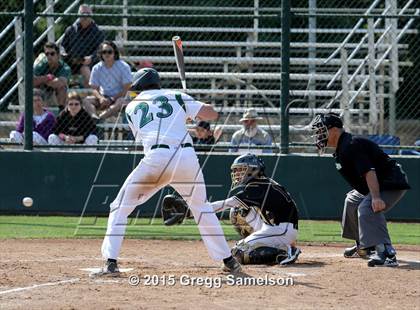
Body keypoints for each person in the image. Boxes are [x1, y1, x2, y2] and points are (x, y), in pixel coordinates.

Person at [91, 68, 241, 277]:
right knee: (202, 209)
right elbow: (211, 114)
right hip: (186, 159)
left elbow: (145, 134)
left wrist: (183, 116)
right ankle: (228, 260)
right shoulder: (177, 96)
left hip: (156, 160)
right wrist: (191, 112)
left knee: (119, 207)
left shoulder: (131, 107)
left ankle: (110, 263)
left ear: (138, 87)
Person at [311, 113, 410, 267]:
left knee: (367, 208)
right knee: (352, 201)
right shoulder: (341, 147)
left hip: (391, 182)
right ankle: (364, 247)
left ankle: (387, 253)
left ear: (335, 130)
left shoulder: (351, 144)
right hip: (378, 183)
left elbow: (369, 171)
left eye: (322, 130)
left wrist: (376, 197)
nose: (318, 135)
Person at [84, 41, 132, 120]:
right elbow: (94, 89)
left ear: (114, 53)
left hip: (119, 97)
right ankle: (94, 117)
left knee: (121, 101)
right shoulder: (96, 68)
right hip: (103, 97)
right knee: (86, 100)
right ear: (101, 54)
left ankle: (100, 119)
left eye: (109, 52)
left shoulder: (124, 66)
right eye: (104, 52)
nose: (107, 54)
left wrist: (112, 99)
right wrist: (100, 98)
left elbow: (126, 89)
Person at [61, 4, 104, 88]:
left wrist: (91, 58)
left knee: (84, 68)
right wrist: (63, 53)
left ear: (91, 16)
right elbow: (63, 46)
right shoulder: (71, 29)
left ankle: (93, 92)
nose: (85, 16)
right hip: (71, 61)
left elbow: (101, 50)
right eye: (82, 13)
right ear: (78, 15)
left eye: (87, 14)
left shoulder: (98, 32)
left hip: (89, 62)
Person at [34, 42, 71, 109]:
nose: (49, 56)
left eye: (52, 54)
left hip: (55, 93)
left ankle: (61, 111)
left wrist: (42, 79)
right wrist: (48, 77)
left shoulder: (65, 67)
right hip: (42, 90)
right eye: (47, 54)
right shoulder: (41, 64)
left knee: (62, 88)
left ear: (58, 55)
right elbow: (32, 81)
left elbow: (59, 83)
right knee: (34, 89)